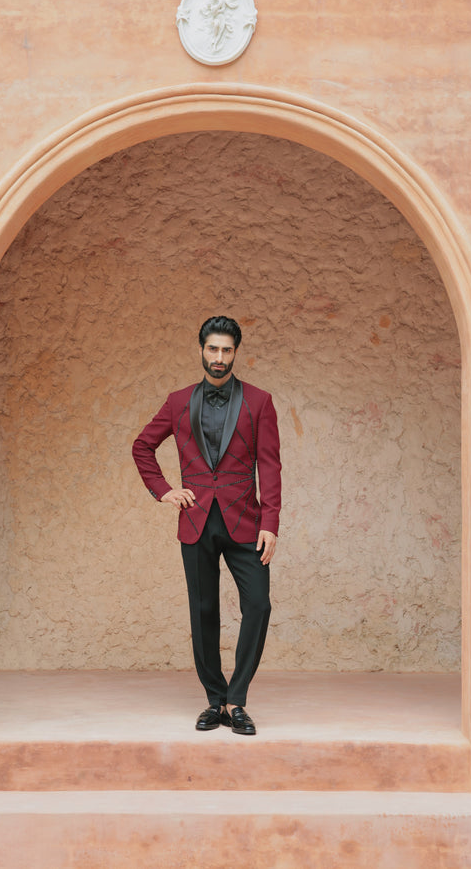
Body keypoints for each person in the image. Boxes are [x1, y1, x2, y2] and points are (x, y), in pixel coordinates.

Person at [132, 315, 282, 735]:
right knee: (204, 611)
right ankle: (214, 700)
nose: (219, 358)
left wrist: (270, 520)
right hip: (195, 519)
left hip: (245, 521)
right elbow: (142, 446)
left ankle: (237, 700)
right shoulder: (178, 401)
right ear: (201, 350)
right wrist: (163, 489)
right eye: (212, 349)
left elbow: (269, 465)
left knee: (258, 605)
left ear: (236, 352)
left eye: (227, 350)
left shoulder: (259, 401)